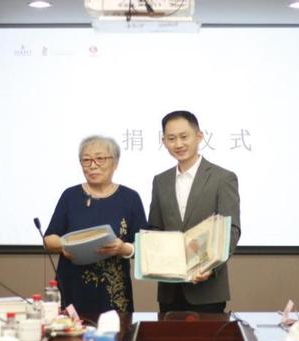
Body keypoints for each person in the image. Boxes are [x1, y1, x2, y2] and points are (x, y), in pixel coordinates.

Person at [149, 110, 241, 314]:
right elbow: (155, 228)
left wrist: (210, 267)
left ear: (199, 136)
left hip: (207, 291)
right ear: (164, 142)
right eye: (171, 138)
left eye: (184, 136)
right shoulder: (160, 181)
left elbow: (231, 230)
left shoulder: (223, 178)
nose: (178, 144)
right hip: (169, 289)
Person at [44, 136, 146, 314]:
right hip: (73, 288)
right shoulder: (70, 196)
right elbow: (49, 239)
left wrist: (124, 248)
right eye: (86, 160)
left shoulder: (130, 198)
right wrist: (65, 245)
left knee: (117, 332)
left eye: (100, 158)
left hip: (114, 295)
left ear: (115, 163)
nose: (92, 165)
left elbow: (145, 246)